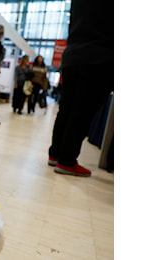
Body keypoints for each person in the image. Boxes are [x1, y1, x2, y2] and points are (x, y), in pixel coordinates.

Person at [47, 0, 113, 177]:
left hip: (72, 56)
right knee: (83, 112)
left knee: (66, 108)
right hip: (99, 57)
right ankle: (67, 161)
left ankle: (55, 153)